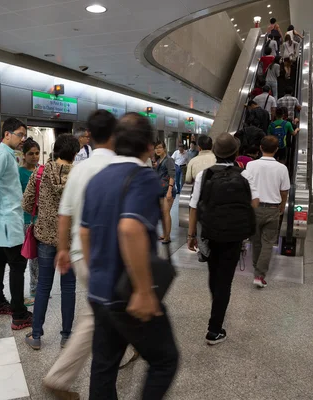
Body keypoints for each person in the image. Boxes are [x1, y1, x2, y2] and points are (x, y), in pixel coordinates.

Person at [81, 112, 179, 400]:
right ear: (149, 147)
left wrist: (97, 275)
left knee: (103, 366)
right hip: (128, 294)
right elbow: (130, 228)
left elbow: (85, 234)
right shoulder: (143, 176)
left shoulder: (97, 178)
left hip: (99, 292)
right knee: (164, 360)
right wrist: (145, 290)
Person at [43, 109, 118, 399]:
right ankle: (60, 377)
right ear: (114, 135)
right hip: (107, 255)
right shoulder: (121, 166)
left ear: (91, 135)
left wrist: (63, 250)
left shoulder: (79, 169)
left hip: (78, 253)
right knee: (100, 315)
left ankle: (61, 377)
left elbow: (65, 215)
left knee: (95, 312)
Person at [187, 133, 259, 345]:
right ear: (236, 153)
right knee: (225, 280)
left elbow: (193, 206)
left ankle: (216, 303)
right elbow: (254, 203)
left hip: (210, 233)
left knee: (213, 272)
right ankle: (214, 329)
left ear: (215, 153)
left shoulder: (205, 175)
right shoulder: (244, 175)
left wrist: (192, 235)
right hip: (234, 236)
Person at [22, 134, 79, 351]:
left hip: (45, 236)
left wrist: (44, 214)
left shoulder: (40, 172)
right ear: (74, 153)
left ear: (55, 150)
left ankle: (36, 335)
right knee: (69, 287)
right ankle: (66, 336)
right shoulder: (80, 175)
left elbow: (27, 203)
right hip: (71, 240)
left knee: (43, 286)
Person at [0, 117, 33, 330]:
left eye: (24, 136)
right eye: (20, 135)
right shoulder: (1, 155)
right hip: (8, 219)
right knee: (18, 265)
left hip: (7, 216)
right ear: (7, 134)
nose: (22, 139)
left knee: (0, 260)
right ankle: (19, 315)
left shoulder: (8, 155)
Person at [246, 136, 290, 288]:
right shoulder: (282, 168)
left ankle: (256, 270)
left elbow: (246, 187)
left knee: (255, 242)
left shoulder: (251, 166)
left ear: (260, 148)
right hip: (272, 209)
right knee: (268, 244)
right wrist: (282, 206)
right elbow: (284, 192)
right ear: (277, 150)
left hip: (254, 209)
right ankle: (259, 275)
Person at [19, 138, 41, 307]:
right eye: (30, 154)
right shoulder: (19, 174)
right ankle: (22, 294)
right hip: (25, 220)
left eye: (37, 153)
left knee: (36, 258)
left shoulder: (42, 170)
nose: (34, 156)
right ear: (24, 155)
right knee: (24, 257)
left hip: (39, 220)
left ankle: (35, 290)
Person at [154, 140, 176, 244]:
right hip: (160, 190)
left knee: (166, 213)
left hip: (168, 190)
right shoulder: (158, 160)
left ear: (164, 148)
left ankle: (168, 237)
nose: (157, 150)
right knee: (163, 213)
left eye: (159, 147)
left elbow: (172, 175)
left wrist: (170, 191)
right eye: (156, 148)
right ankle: (164, 234)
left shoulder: (169, 160)